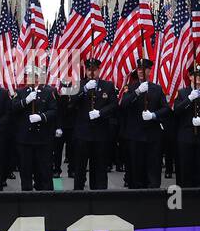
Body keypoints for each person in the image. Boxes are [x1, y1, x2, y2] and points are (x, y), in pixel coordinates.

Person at [119, 58, 170, 189]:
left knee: (153, 167)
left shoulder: (157, 89)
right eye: (139, 69)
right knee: (136, 167)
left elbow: (165, 109)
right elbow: (123, 105)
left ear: (149, 71)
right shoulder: (130, 87)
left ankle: (153, 192)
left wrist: (154, 115)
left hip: (152, 134)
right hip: (135, 134)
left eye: (144, 69)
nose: (141, 71)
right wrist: (137, 92)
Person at [71, 57, 117, 190]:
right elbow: (71, 102)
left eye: (94, 70)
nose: (91, 73)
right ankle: (78, 193)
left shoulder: (107, 85)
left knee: (99, 166)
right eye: (88, 70)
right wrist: (84, 89)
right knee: (80, 166)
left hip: (100, 132)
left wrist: (100, 113)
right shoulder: (79, 84)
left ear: (99, 70)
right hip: (82, 133)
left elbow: (114, 105)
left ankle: (99, 193)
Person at [12, 65, 58, 192]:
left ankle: (45, 196)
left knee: (44, 171)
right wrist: (25, 101)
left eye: (32, 76)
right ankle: (26, 196)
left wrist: (41, 117)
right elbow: (13, 108)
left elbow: (54, 111)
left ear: (38, 78)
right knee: (25, 171)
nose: (29, 78)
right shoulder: (20, 92)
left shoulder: (49, 92)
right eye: (27, 76)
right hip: (25, 139)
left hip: (42, 139)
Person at [173, 64, 200, 188]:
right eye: (194, 75)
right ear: (190, 76)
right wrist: (189, 99)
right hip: (185, 137)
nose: (197, 77)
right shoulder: (182, 93)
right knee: (185, 169)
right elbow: (176, 110)